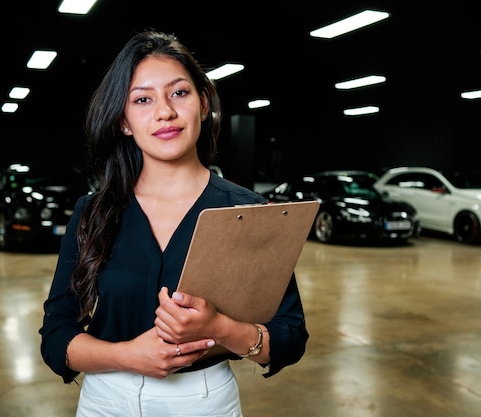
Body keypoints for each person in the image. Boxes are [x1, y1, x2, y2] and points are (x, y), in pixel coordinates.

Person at [39, 30, 309, 417]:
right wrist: (128, 355)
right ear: (124, 122)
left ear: (202, 104)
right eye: (143, 99)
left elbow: (290, 338)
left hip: (204, 400)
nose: (164, 111)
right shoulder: (93, 213)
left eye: (179, 93)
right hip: (106, 400)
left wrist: (220, 326)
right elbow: (55, 336)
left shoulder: (249, 212)